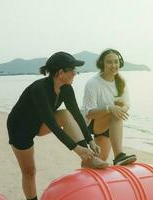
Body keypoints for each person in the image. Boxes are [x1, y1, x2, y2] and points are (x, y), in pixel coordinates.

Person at [6, 51, 109, 200]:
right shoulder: (39, 89)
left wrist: (90, 140)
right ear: (61, 73)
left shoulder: (66, 89)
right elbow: (52, 124)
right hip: (20, 129)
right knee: (29, 171)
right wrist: (75, 148)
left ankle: (89, 159)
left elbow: (77, 116)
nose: (75, 73)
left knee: (66, 114)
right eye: (73, 70)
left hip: (39, 123)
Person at [82, 48, 137, 166]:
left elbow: (127, 105)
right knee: (113, 111)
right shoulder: (93, 83)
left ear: (120, 63)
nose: (114, 65)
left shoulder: (121, 81)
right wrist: (109, 108)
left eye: (116, 62)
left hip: (111, 123)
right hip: (92, 122)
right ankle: (119, 156)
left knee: (100, 161)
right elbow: (89, 113)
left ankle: (88, 169)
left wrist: (121, 109)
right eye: (109, 62)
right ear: (102, 64)